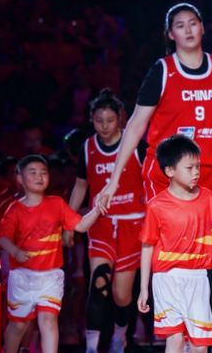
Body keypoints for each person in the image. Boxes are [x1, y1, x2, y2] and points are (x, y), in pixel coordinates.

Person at [95, 3, 212, 344]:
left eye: (193, 23)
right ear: (171, 34)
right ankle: (173, 334)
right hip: (165, 174)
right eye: (180, 25)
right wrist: (113, 179)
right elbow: (136, 125)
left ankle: (189, 333)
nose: (188, 30)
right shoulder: (163, 71)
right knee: (177, 258)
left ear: (202, 28)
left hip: (207, 172)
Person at [137, 135, 212, 353]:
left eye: (198, 166)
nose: (196, 172)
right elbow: (147, 246)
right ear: (169, 170)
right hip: (167, 280)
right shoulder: (157, 205)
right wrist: (143, 289)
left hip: (198, 279)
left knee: (200, 346)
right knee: (175, 339)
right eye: (189, 168)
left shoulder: (208, 198)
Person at [66, 89, 147, 353]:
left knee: (121, 295)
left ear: (120, 119)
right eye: (99, 120)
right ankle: (91, 347)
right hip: (101, 224)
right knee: (98, 284)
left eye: (110, 120)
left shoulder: (136, 145)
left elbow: (152, 183)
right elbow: (80, 186)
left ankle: (120, 337)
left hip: (132, 226)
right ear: (92, 119)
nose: (104, 126)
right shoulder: (87, 147)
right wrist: (69, 222)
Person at [0, 155, 105, 353]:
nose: (39, 177)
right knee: (19, 325)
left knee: (48, 320)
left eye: (43, 172)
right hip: (22, 276)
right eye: (33, 173)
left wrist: (97, 209)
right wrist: (15, 251)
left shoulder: (57, 204)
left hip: (51, 275)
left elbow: (81, 225)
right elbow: (3, 238)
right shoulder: (14, 209)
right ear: (20, 178)